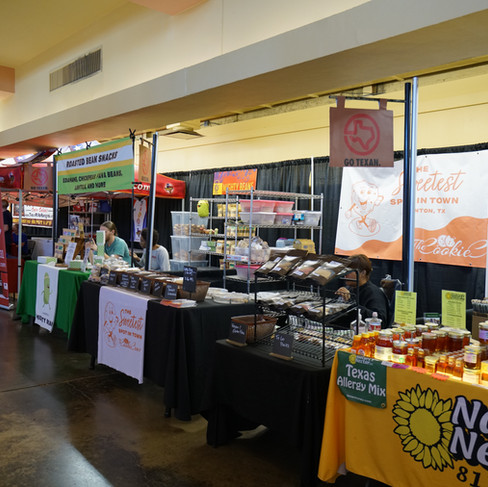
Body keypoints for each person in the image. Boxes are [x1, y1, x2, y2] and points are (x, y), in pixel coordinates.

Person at [336, 253, 389, 328]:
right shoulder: (349, 289)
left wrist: (351, 304)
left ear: (363, 273)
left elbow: (380, 321)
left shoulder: (374, 293)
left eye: (349, 271)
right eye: (345, 270)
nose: (345, 274)